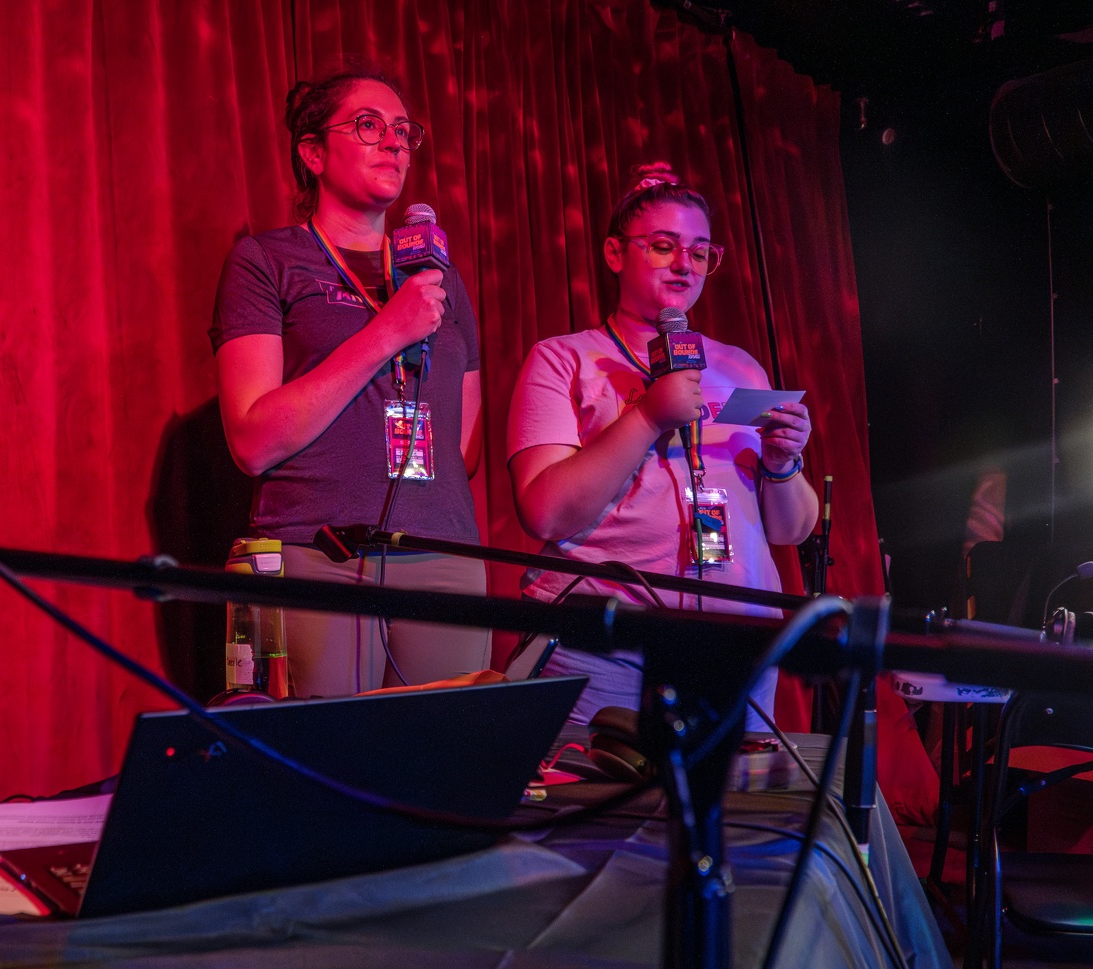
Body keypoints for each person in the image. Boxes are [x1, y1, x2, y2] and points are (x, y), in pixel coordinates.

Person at [209, 63, 490, 698]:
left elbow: (463, 444)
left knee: (439, 775)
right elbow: (252, 442)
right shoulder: (267, 260)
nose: (394, 142)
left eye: (403, 131)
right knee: (317, 772)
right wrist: (386, 334)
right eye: (369, 126)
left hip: (442, 552)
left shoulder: (442, 278)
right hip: (312, 550)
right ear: (312, 153)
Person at [506, 163, 818, 726]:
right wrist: (648, 415)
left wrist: (782, 463)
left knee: (720, 814)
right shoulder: (564, 357)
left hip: (734, 646)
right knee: (594, 808)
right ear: (614, 253)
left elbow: (791, 530)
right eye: (663, 246)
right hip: (604, 643)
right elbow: (545, 512)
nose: (684, 264)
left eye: (699, 252)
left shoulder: (739, 366)